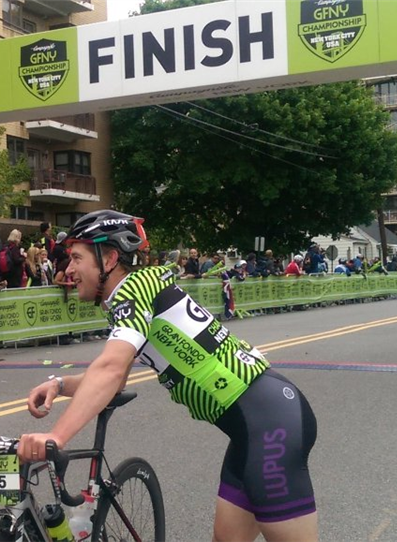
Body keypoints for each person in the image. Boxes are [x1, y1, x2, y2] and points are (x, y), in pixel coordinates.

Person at [17, 210, 318, 542]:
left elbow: (111, 369)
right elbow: (114, 379)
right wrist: (59, 385)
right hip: (255, 427)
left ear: (111, 258)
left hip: (271, 423)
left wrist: (57, 437)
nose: (68, 269)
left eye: (76, 258)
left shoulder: (133, 291)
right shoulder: (134, 294)